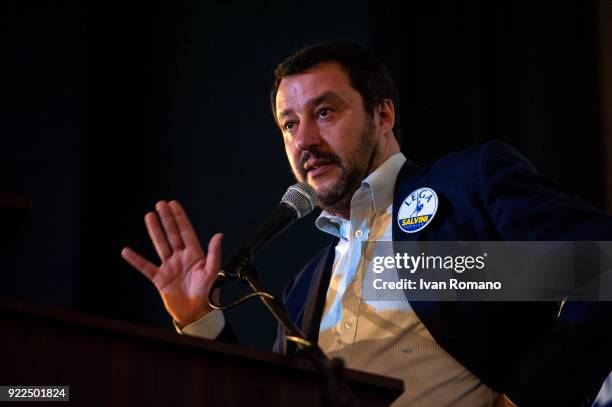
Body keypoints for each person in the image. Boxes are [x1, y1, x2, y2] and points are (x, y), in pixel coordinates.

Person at [121, 42, 612, 407]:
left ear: (383, 114)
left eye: (325, 112)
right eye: (289, 124)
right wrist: (200, 321)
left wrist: (531, 399)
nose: (304, 140)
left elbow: (599, 266)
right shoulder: (303, 287)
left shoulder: (465, 186)